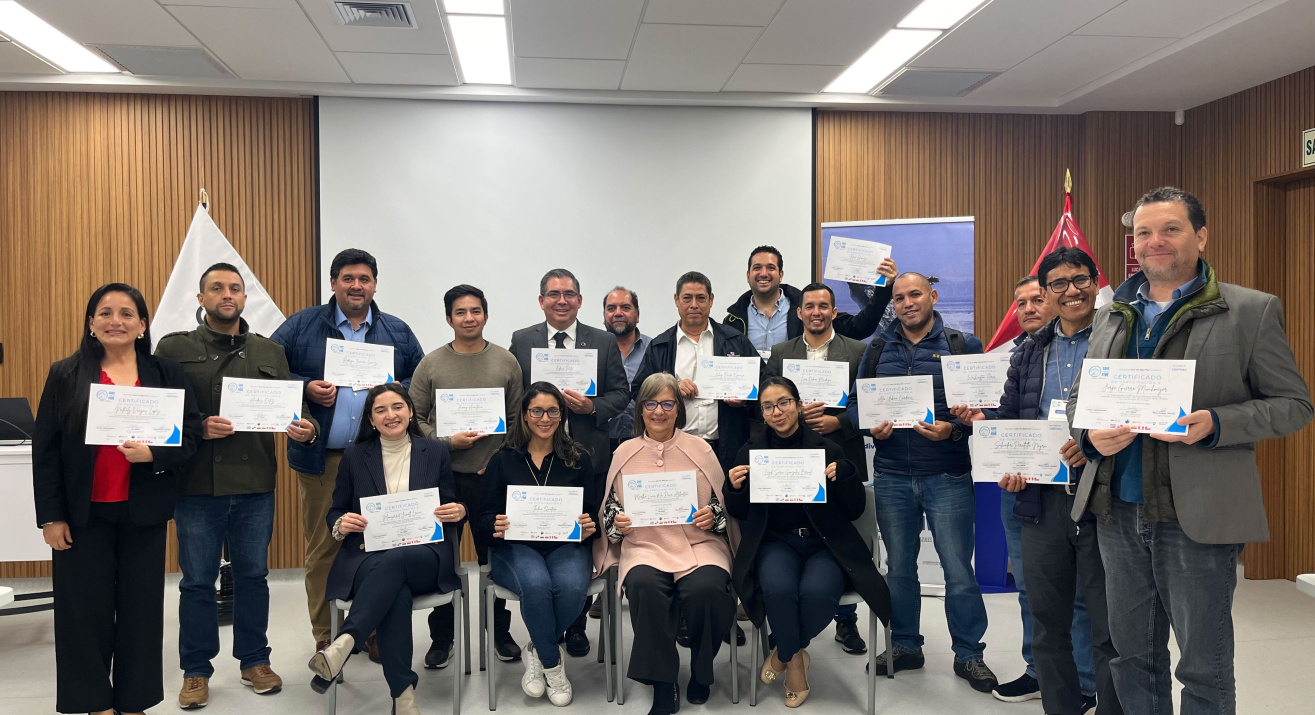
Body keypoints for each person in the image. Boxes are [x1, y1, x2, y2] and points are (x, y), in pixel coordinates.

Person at [1069, 187, 1312, 714]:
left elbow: (1295, 405)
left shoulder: (1251, 310)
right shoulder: (1112, 312)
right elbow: (1080, 397)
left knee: (1203, 668)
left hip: (1195, 516)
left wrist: (1217, 423)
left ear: (1200, 237)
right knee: (1131, 658)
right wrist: (1089, 434)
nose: (1155, 241)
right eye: (1143, 233)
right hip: (1116, 510)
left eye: (1170, 229)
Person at [956, 250, 1118, 715]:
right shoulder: (1029, 350)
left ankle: (1103, 697)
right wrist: (999, 445)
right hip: (1041, 498)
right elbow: (1011, 415)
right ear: (1047, 292)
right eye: (1058, 284)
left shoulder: (1119, 338)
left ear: (1095, 283)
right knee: (1046, 615)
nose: (1071, 291)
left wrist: (1092, 445)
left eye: (1080, 280)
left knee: (1107, 620)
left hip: (1103, 495)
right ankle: (1061, 703)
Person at [33, 283, 203, 715]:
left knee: (140, 613)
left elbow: (190, 438)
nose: (116, 321)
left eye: (127, 313)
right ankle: (95, 703)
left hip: (142, 513)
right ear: (91, 323)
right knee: (82, 614)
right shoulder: (65, 374)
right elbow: (46, 451)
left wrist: (154, 454)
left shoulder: (166, 373)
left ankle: (133, 702)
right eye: (105, 313)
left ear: (143, 325)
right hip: (81, 515)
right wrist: (51, 517)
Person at [156, 263, 318, 709]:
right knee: (197, 582)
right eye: (216, 288)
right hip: (197, 484)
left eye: (234, 288)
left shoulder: (270, 350)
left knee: (252, 577)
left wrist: (307, 430)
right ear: (201, 298)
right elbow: (161, 411)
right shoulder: (174, 347)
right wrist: (197, 427)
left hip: (254, 483)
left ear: (245, 299)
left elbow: (294, 409)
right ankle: (195, 670)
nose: (226, 294)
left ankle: (254, 660)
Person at [845, 272, 998, 692]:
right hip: (892, 476)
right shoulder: (878, 348)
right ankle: (905, 645)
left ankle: (969, 654)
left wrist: (955, 429)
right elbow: (856, 404)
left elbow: (986, 409)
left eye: (915, 294)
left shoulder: (962, 345)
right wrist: (869, 426)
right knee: (899, 569)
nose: (907, 303)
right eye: (898, 298)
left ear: (933, 296)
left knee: (958, 570)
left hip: (948, 474)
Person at [271, 248, 425, 658]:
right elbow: (266, 370)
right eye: (348, 278)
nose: (357, 286)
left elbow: (421, 376)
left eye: (364, 279)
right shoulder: (302, 325)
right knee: (326, 546)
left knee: (380, 545)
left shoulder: (397, 331)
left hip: (382, 458)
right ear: (333, 282)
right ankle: (327, 634)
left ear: (375, 284)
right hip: (324, 458)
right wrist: (304, 386)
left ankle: (370, 629)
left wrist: (400, 389)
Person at [724, 376, 890, 708]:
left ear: (799, 405)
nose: (777, 412)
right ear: (762, 413)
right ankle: (796, 663)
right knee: (778, 590)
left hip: (825, 544)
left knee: (817, 594)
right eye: (768, 406)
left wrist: (845, 476)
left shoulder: (828, 449)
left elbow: (854, 510)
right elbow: (739, 512)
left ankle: (784, 652)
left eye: (784, 402)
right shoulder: (751, 451)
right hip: (775, 543)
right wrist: (734, 487)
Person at [308, 383, 466, 715]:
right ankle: (404, 699)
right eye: (380, 410)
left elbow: (450, 501)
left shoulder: (434, 451)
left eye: (397, 407)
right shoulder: (354, 456)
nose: (390, 415)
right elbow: (336, 511)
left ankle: (346, 641)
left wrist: (458, 510)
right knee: (396, 592)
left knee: (396, 564)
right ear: (371, 419)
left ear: (410, 412)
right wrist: (342, 523)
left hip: (424, 554)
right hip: (369, 556)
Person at [595, 372, 737, 715]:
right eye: (651, 403)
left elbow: (724, 505)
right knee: (644, 586)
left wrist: (712, 516)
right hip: (644, 546)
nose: (659, 411)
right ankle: (663, 682)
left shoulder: (701, 449)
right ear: (640, 410)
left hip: (700, 544)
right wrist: (618, 522)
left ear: (679, 410)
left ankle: (701, 672)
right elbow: (609, 511)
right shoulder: (624, 452)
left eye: (668, 403)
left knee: (707, 589)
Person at [509, 268, 630, 657]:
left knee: (582, 538)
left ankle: (575, 625)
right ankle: (546, 627)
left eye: (569, 294)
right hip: (535, 457)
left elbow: (622, 393)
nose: (561, 301)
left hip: (587, 458)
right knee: (540, 533)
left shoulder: (603, 340)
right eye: (553, 294)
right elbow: (515, 396)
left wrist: (591, 406)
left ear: (579, 300)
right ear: (541, 300)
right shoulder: (522, 340)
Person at [409, 284, 524, 669]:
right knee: (443, 559)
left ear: (486, 316)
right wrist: (446, 442)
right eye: (460, 312)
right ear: (449, 318)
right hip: (444, 478)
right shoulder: (431, 364)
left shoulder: (506, 361)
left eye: (476, 311)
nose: (469, 318)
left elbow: (518, 421)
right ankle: (442, 637)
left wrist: (498, 460)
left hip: (492, 478)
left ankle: (500, 633)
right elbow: (414, 418)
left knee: (495, 556)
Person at [476, 382, 602, 706]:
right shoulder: (503, 459)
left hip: (566, 547)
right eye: (537, 411)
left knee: (572, 587)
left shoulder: (578, 459)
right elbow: (483, 516)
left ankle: (535, 650)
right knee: (535, 584)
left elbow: (592, 514)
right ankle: (553, 667)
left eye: (552, 411)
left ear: (561, 416)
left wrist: (589, 526)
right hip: (516, 548)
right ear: (524, 415)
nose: (544, 418)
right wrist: (494, 524)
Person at [764, 282, 873, 655]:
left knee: (839, 533)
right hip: (790, 459)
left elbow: (868, 404)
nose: (816, 312)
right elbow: (768, 403)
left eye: (823, 306)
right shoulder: (782, 353)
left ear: (834, 311)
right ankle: (790, 627)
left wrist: (837, 422)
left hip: (840, 455)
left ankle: (845, 622)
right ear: (799, 312)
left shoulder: (857, 351)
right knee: (795, 531)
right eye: (809, 306)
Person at [632, 271, 770, 474]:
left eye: (701, 298)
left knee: (725, 495)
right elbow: (639, 392)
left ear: (711, 300)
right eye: (687, 298)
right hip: (674, 449)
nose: (694, 305)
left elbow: (766, 387)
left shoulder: (736, 341)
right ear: (676, 300)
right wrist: (671, 390)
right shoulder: (660, 346)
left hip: (726, 447)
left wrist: (745, 400)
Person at [724, 245, 898, 357]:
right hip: (751, 401)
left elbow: (860, 327)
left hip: (796, 398)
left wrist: (885, 288)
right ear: (748, 275)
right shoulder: (733, 321)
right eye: (757, 268)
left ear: (781, 274)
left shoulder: (807, 310)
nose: (763, 273)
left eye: (771, 268)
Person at [603, 286, 651, 449]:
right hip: (602, 441)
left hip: (645, 441)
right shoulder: (593, 351)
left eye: (625, 307)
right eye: (611, 308)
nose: (618, 313)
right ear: (604, 315)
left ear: (637, 315)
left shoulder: (654, 349)